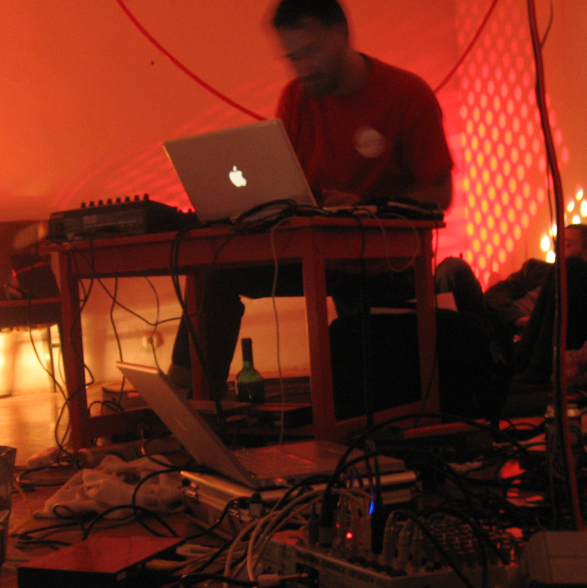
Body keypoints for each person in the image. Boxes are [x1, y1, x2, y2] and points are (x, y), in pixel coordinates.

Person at [167, 0, 454, 397]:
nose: (303, 68)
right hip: (313, 251)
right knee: (216, 271)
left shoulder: (406, 94)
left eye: (311, 51)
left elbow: (440, 194)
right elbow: (288, 181)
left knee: (373, 376)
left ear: (342, 33)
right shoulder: (297, 98)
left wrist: (365, 208)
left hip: (383, 260)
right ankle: (189, 400)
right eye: (292, 57)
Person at [433, 224, 587, 380]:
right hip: (492, 325)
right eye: (557, 243)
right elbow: (495, 295)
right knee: (453, 268)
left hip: (525, 346)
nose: (557, 249)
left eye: (565, 244)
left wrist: (533, 325)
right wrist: (519, 319)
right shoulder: (535, 269)